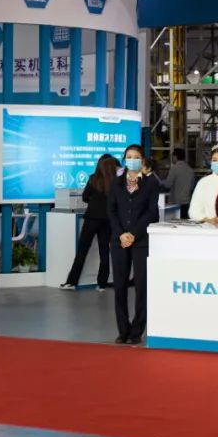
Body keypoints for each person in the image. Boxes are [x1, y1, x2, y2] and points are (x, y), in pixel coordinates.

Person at [106, 144, 160, 345]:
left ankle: (137, 331)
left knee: (141, 286)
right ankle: (123, 330)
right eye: (129, 156)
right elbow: (111, 210)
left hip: (141, 241)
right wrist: (121, 234)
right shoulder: (116, 182)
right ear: (124, 159)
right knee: (119, 286)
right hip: (119, 241)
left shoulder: (151, 183)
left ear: (142, 160)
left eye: (136, 157)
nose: (133, 160)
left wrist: (134, 234)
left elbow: (152, 212)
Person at [59, 154, 118, 291]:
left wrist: (94, 201)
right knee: (104, 252)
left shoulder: (93, 178)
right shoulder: (115, 181)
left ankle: (71, 282)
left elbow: (85, 197)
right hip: (107, 220)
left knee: (82, 250)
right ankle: (102, 284)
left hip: (92, 218)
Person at [160, 148, 195, 219]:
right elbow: (192, 187)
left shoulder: (174, 169)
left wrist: (162, 182)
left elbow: (167, 185)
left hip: (175, 203)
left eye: (172, 156)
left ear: (175, 157)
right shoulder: (190, 170)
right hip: (187, 203)